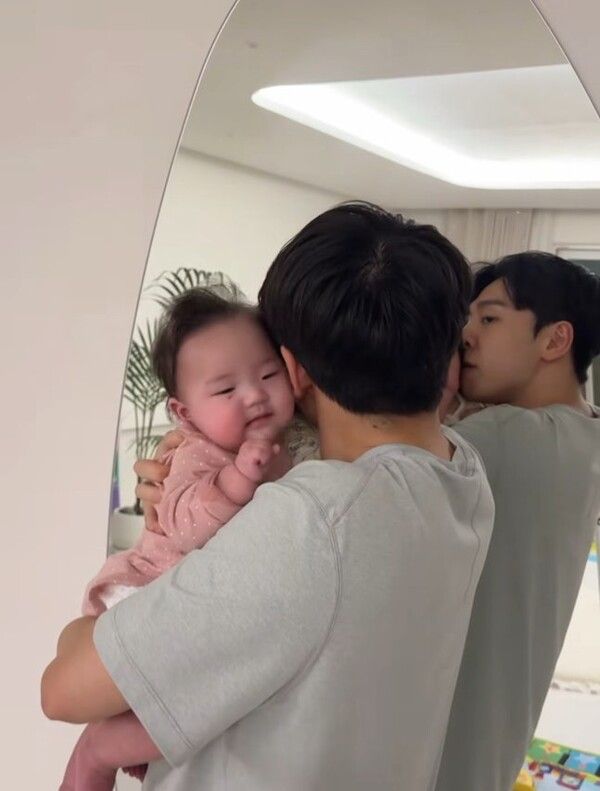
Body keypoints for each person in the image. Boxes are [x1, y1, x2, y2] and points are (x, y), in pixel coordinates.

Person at [42, 202, 494, 791]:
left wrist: (76, 635)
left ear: (294, 369)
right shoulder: (463, 472)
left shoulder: (312, 524)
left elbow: (63, 690)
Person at [60, 288, 296, 790]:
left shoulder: (291, 439)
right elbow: (188, 524)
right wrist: (238, 479)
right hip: (151, 584)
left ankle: (126, 746)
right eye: (226, 389)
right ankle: (100, 751)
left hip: (199, 596)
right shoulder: (195, 454)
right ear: (185, 415)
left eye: (268, 375)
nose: (255, 395)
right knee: (192, 700)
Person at [435, 252, 600, 791]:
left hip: (440, 747)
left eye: (489, 318)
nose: (466, 336)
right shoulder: (583, 434)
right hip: (493, 743)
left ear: (555, 340)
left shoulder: (504, 439)